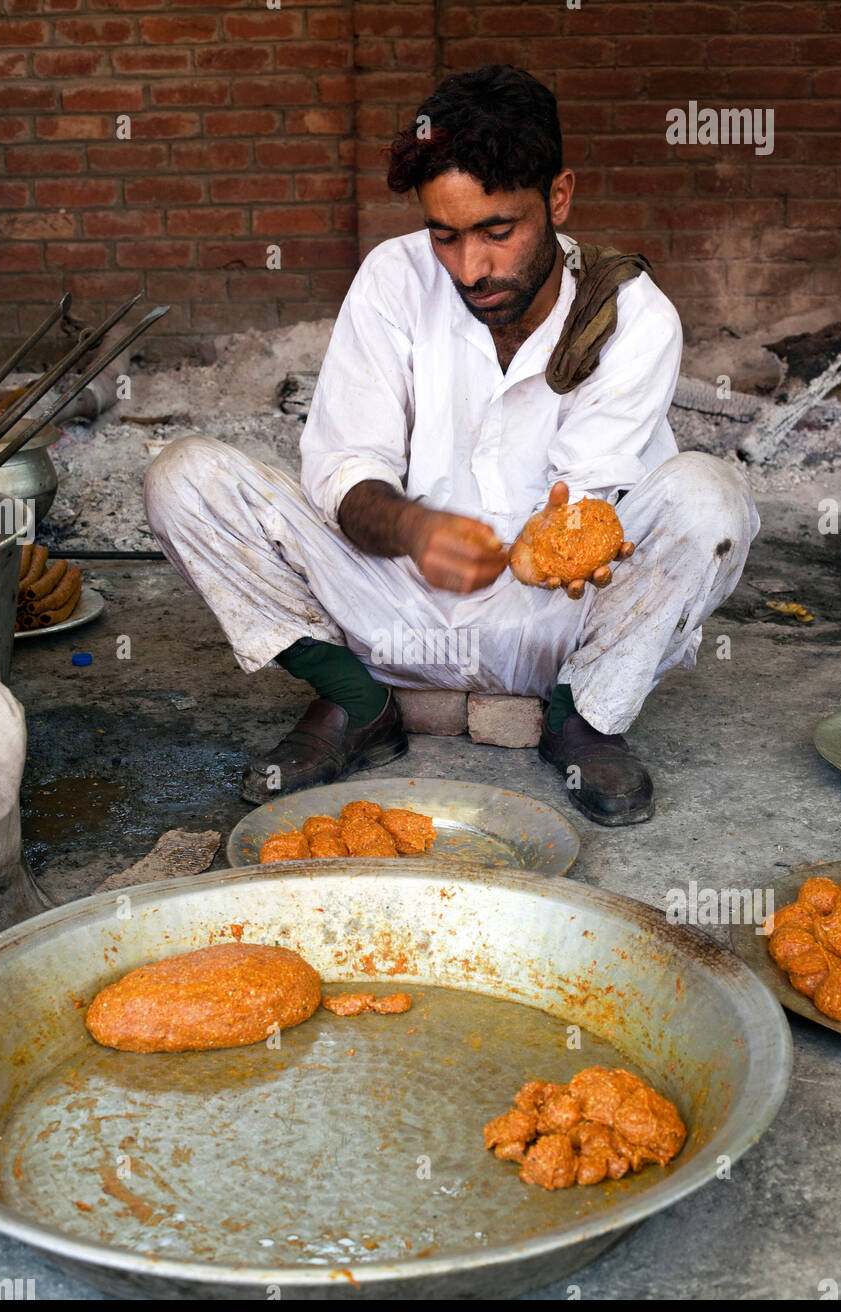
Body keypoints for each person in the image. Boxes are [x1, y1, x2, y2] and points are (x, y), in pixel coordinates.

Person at [145, 65, 759, 826]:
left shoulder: (632, 315)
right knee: (184, 478)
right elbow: (345, 467)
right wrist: (414, 528)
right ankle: (355, 701)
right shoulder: (392, 281)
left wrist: (554, 538)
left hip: (555, 627)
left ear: (558, 198)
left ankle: (582, 717)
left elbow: (590, 511)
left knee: (712, 498)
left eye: (499, 232)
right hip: (392, 605)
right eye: (446, 235)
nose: (472, 268)